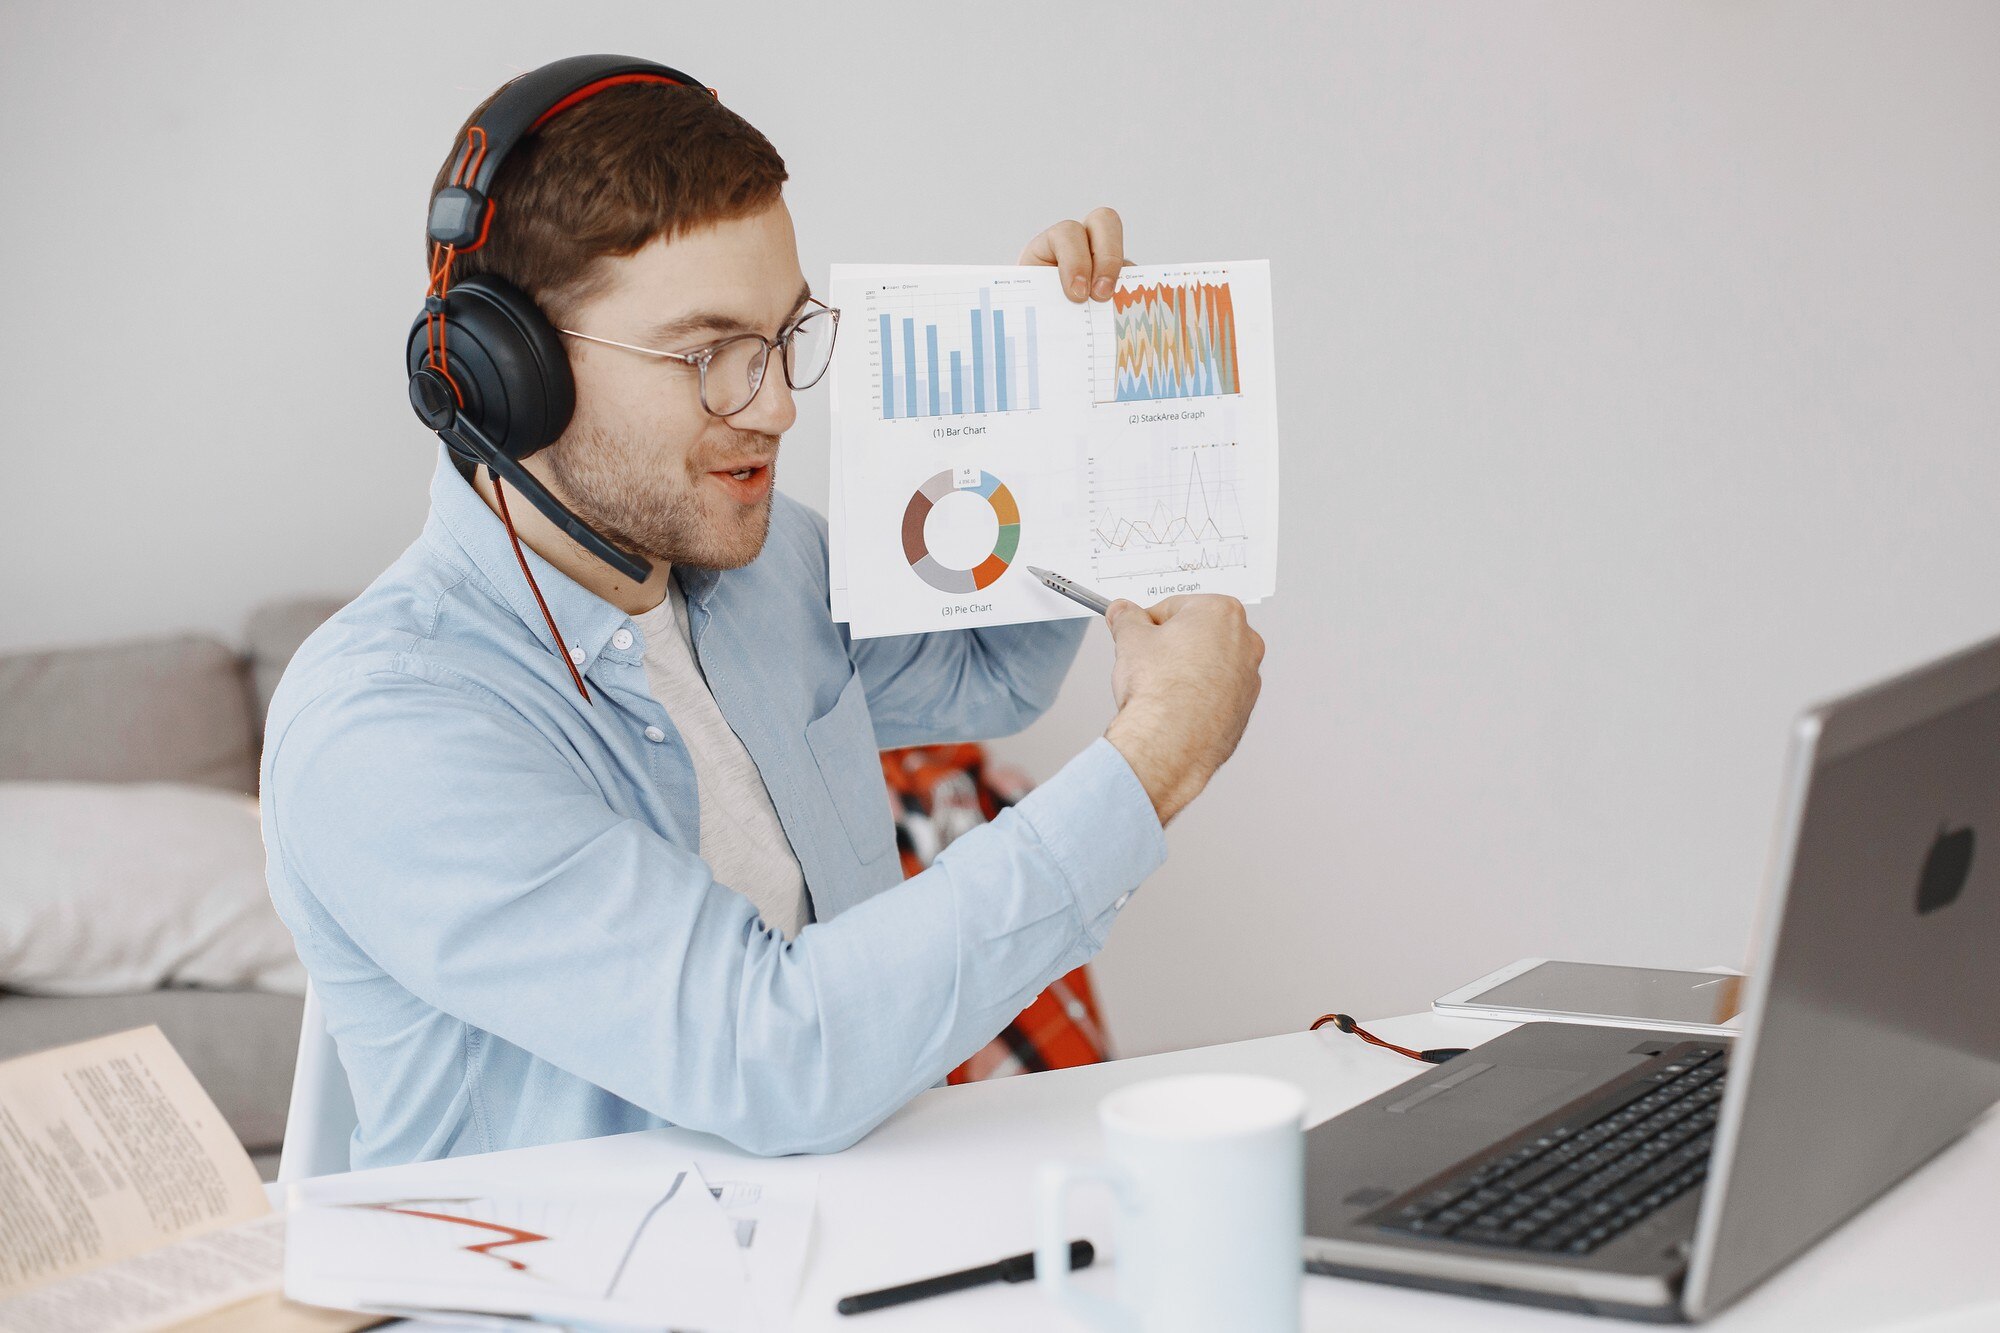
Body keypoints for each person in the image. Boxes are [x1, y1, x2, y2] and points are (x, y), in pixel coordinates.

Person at [261, 60, 1264, 1169]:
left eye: (784, 337)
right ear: (511, 372)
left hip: (857, 1228)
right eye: (707, 355)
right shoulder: (385, 726)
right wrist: (1149, 767)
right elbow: (770, 1053)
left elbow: (991, 677)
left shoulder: (759, 557)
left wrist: (1047, 398)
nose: (777, 404)